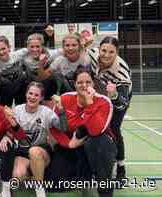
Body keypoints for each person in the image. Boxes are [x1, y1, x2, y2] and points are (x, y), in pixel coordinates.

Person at [47, 67, 117, 197]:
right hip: (72, 143)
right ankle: (81, 176)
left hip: (97, 144)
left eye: (88, 82)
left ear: (93, 83)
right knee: (55, 185)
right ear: (74, 84)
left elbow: (96, 131)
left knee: (97, 142)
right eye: (80, 82)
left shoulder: (103, 101)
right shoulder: (65, 99)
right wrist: (69, 144)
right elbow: (54, 127)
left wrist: (90, 104)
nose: (84, 86)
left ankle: (104, 185)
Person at [3, 81, 68, 197]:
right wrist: (6, 137)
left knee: (34, 151)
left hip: (41, 151)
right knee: (17, 175)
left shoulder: (46, 112)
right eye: (30, 93)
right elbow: (12, 131)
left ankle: (39, 188)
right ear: (26, 94)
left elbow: (63, 128)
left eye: (36, 95)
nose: (32, 97)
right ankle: (35, 175)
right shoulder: (17, 110)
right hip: (22, 152)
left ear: (42, 98)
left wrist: (61, 109)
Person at [87, 36, 132, 183]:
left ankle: (120, 168)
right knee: (93, 125)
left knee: (113, 127)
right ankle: (92, 165)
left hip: (119, 95)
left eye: (111, 52)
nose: (106, 55)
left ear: (116, 52)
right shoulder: (92, 54)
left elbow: (122, 104)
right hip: (100, 91)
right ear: (99, 49)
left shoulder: (121, 71)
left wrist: (114, 95)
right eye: (104, 50)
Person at [0, 35, 29, 106]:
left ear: (9, 47)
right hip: (6, 89)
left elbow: (34, 50)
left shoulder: (19, 54)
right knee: (5, 111)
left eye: (3, 48)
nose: (1, 52)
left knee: (21, 109)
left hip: (20, 87)